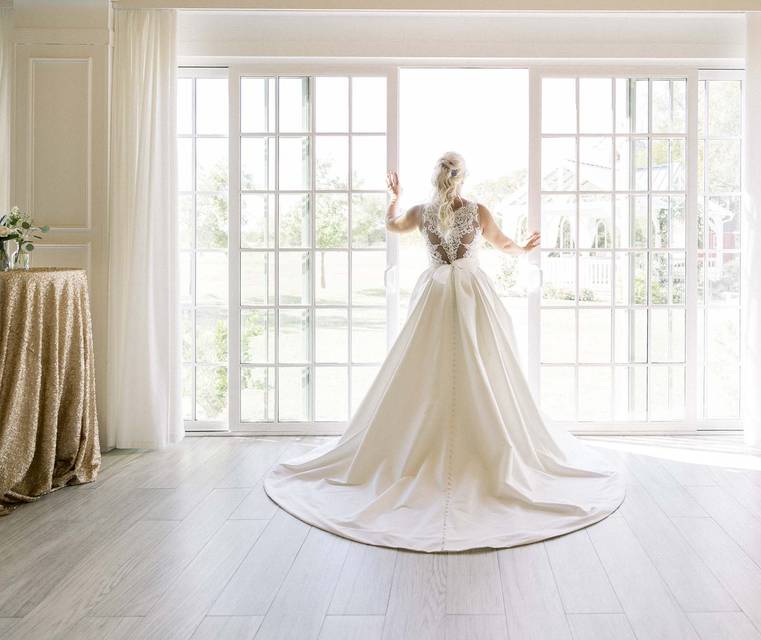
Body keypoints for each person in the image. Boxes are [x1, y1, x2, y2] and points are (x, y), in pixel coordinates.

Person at [264, 151, 625, 552]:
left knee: (426, 372)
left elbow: (390, 225)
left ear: (436, 178)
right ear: (462, 178)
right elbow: (503, 243)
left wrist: (394, 196)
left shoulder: (421, 213)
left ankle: (420, 444)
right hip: (472, 294)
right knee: (482, 368)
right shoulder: (477, 211)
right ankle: (486, 444)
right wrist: (524, 249)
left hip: (434, 295)